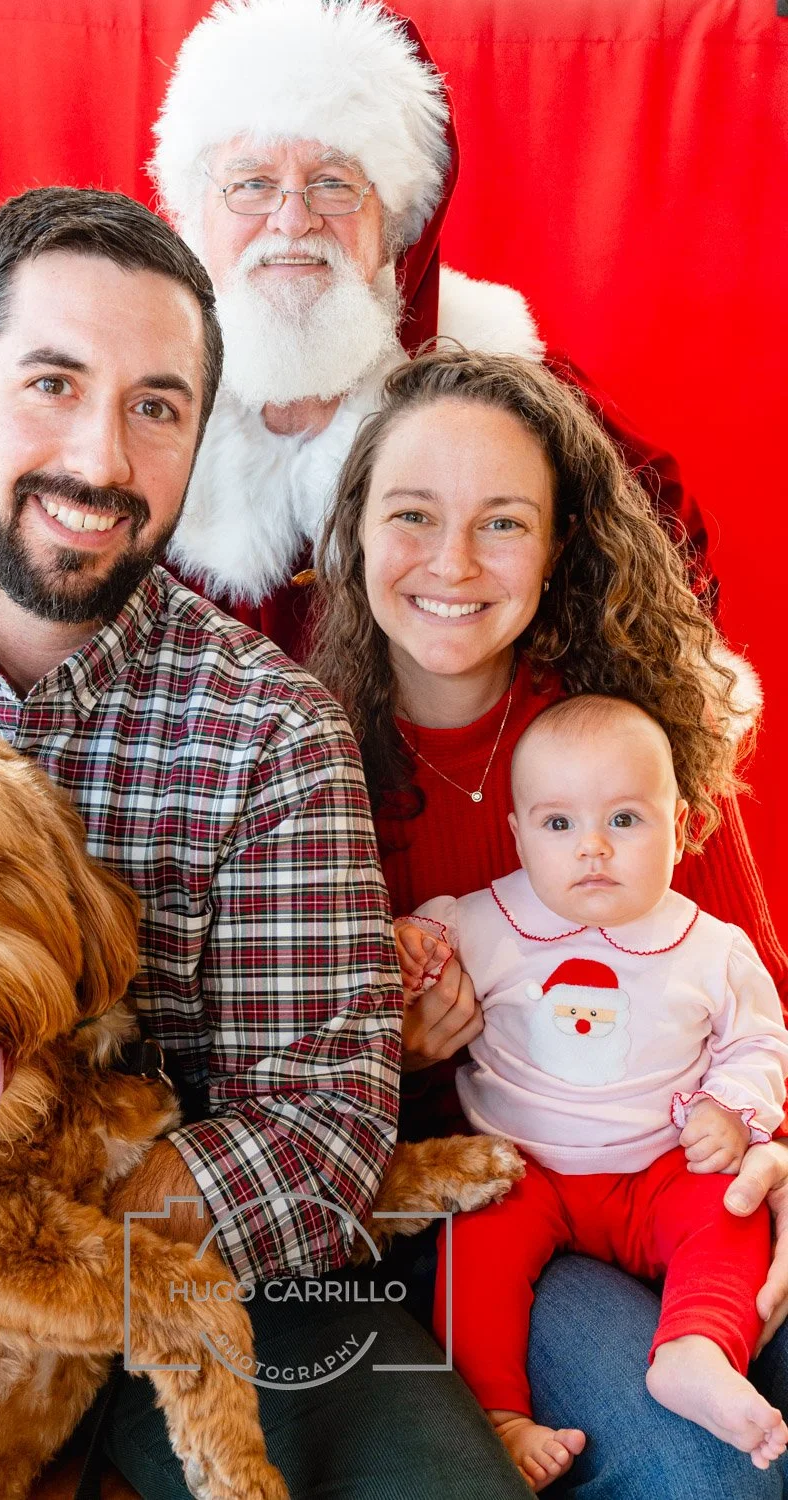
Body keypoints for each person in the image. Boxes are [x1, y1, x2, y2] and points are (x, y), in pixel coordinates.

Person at [0, 187, 529, 1500]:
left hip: (208, 1267)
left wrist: (38, 1254)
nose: (101, 457)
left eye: (157, 407)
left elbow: (325, 1121)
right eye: (54, 385)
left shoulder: (271, 729)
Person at [309, 346, 788, 1498]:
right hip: (490, 1196)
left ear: (560, 544)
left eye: (504, 523)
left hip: (688, 1179)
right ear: (356, 535)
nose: (454, 563)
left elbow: (751, 994)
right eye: (413, 515)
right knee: (707, 1475)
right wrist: (401, 1051)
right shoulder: (305, 755)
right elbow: (278, 1091)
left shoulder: (633, 741)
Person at [0, 0, 714, 661]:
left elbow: (658, 573)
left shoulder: (502, 389)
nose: (292, 221)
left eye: (333, 183)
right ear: (195, 214)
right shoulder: (109, 390)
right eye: (252, 184)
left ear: (395, 222)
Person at [397, 695, 788, 1488]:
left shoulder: (711, 947)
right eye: (559, 826)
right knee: (470, 1249)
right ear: (516, 834)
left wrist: (732, 1109)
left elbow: (757, 1038)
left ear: (679, 822)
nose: (594, 850)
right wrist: (406, 957)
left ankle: (695, 1348)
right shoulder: (487, 920)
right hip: (521, 1171)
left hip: (657, 1173)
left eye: (625, 821)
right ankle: (496, 1412)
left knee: (731, 1209)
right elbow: (415, 945)